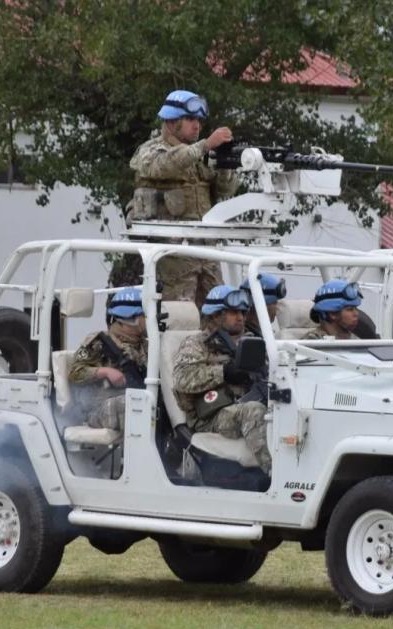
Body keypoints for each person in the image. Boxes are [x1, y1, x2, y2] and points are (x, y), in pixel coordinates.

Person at [128, 89, 239, 305]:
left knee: (218, 311)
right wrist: (206, 145)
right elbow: (165, 165)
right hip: (172, 254)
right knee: (180, 316)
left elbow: (226, 190)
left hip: (207, 251)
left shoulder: (200, 155)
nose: (197, 125)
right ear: (171, 121)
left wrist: (225, 163)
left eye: (199, 120)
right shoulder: (150, 150)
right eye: (190, 119)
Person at [172, 284, 271, 473]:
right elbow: (182, 379)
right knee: (254, 411)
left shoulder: (252, 341)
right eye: (233, 312)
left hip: (245, 403)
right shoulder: (197, 344)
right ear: (216, 315)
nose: (240, 317)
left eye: (243, 312)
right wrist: (223, 372)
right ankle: (275, 474)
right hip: (211, 416)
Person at [67, 287, 148, 431]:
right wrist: (104, 372)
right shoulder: (100, 343)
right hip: (100, 408)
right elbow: (74, 373)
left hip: (136, 400)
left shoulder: (144, 345)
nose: (147, 320)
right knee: (135, 405)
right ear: (131, 319)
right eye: (144, 315)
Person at [240, 273, 286, 338]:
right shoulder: (247, 337)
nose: (277, 308)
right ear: (261, 304)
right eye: (274, 303)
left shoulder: (261, 333)